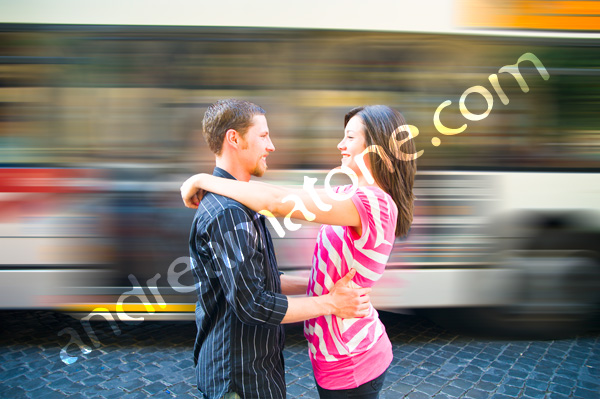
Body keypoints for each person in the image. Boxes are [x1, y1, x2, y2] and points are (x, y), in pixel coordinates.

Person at [182, 104, 418, 398]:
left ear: (375, 147)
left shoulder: (375, 204)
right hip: (332, 356)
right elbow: (321, 276)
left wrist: (203, 180)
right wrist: (320, 296)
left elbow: (280, 203)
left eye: (350, 137)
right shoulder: (348, 195)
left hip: (353, 358)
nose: (340, 145)